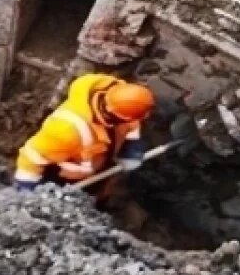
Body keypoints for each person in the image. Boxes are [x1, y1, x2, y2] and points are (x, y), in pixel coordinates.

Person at [13, 73, 154, 195]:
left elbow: (132, 118)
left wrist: (132, 145)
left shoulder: (116, 91)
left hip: (98, 162)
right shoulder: (65, 130)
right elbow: (31, 158)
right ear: (114, 115)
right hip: (64, 172)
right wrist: (26, 190)